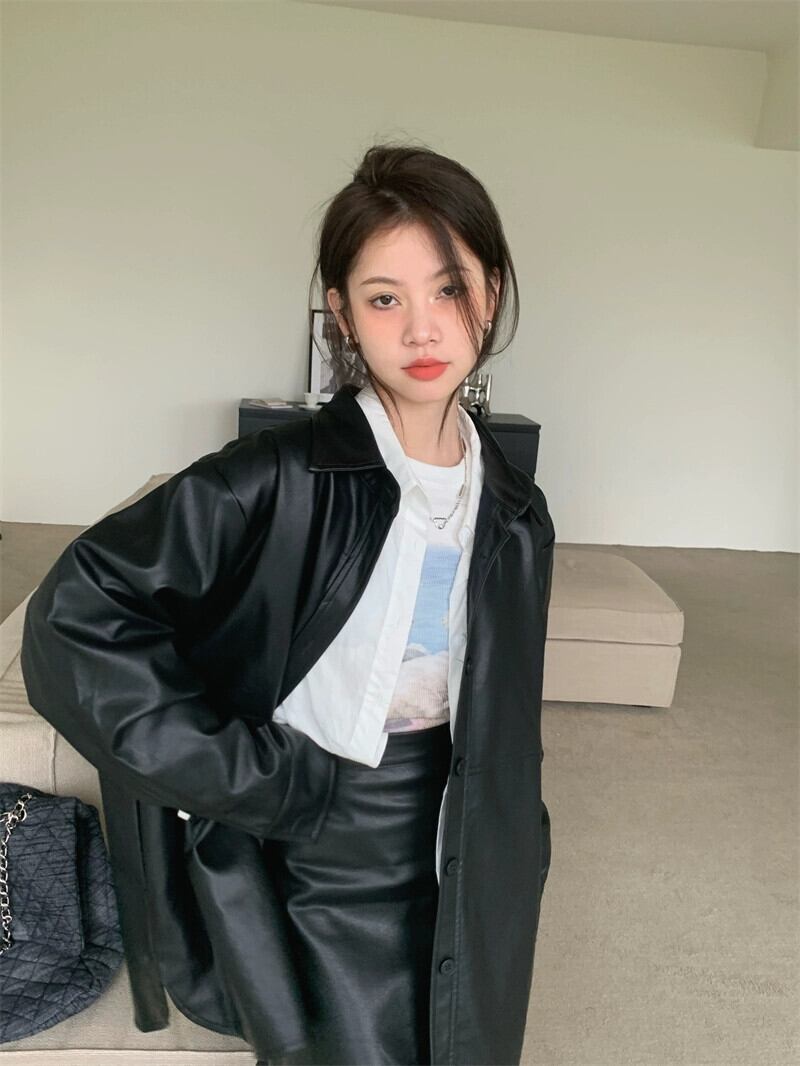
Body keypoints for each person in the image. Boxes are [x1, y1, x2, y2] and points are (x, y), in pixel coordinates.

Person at [20, 141, 555, 1066]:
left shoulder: (516, 509)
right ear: (340, 314)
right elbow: (75, 618)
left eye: (449, 289)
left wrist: (521, 839)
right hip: (321, 831)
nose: (422, 330)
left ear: (492, 292)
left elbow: (508, 708)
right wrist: (243, 774)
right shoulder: (274, 478)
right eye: (384, 299)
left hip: (470, 833)